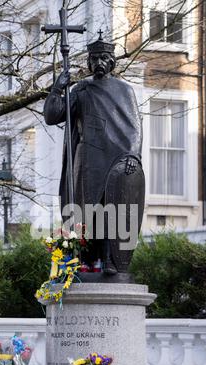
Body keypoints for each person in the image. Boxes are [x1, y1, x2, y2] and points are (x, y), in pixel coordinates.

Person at [43, 32, 145, 275]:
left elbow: (135, 130)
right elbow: (52, 115)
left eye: (104, 58)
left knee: (114, 209)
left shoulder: (124, 91)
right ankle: (87, 260)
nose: (99, 62)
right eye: (95, 58)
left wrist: (133, 158)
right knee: (86, 211)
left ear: (112, 62)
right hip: (87, 161)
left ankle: (111, 259)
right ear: (89, 63)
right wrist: (58, 88)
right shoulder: (82, 89)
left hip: (116, 160)